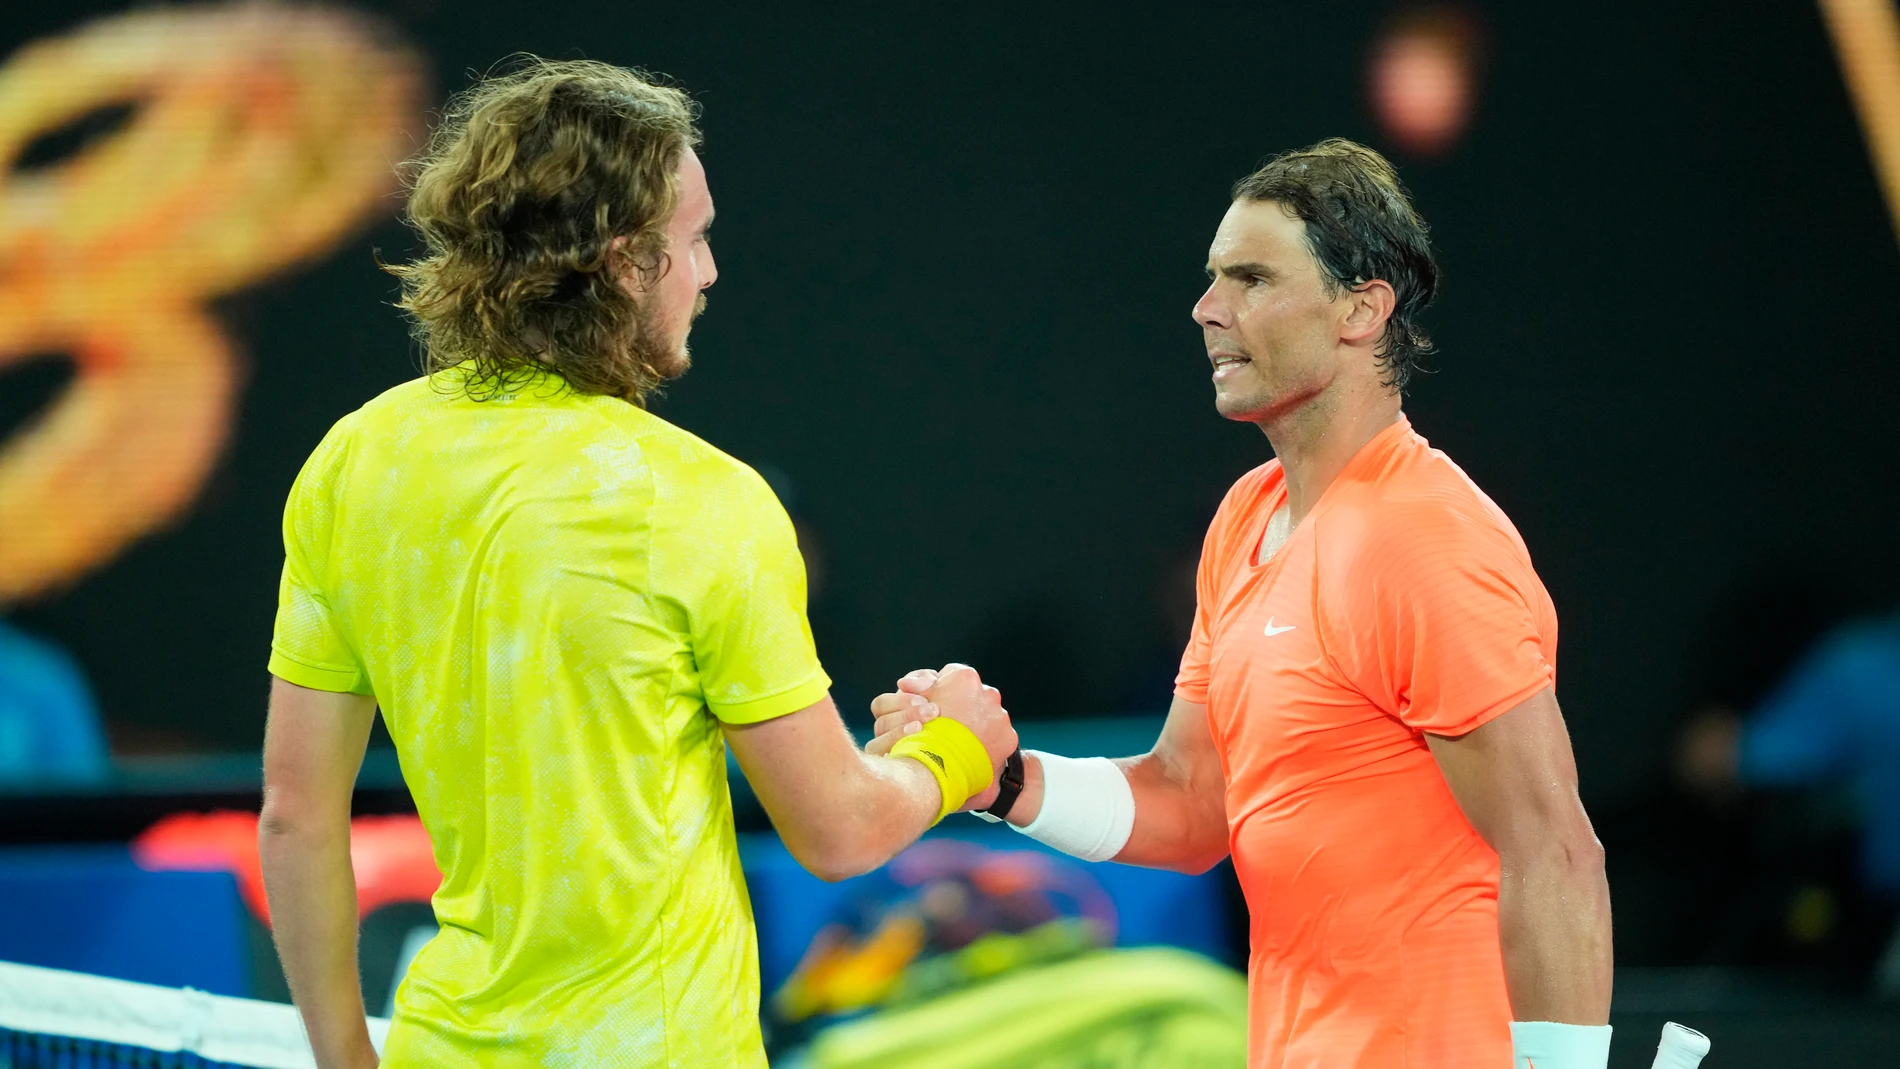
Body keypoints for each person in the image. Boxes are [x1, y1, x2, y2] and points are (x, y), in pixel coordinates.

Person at [256, 59, 1014, 1069]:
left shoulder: (357, 459)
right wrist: (953, 751)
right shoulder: (703, 500)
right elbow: (840, 830)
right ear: (624, 264)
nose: (710, 272)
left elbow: (296, 816)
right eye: (694, 240)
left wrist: (347, 1060)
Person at [871, 140, 1613, 1068]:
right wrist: (1004, 779)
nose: (1207, 308)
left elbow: (1555, 853)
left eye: (1252, 279)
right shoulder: (1247, 517)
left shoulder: (1428, 538)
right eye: (1213, 278)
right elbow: (1191, 803)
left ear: (1361, 308)